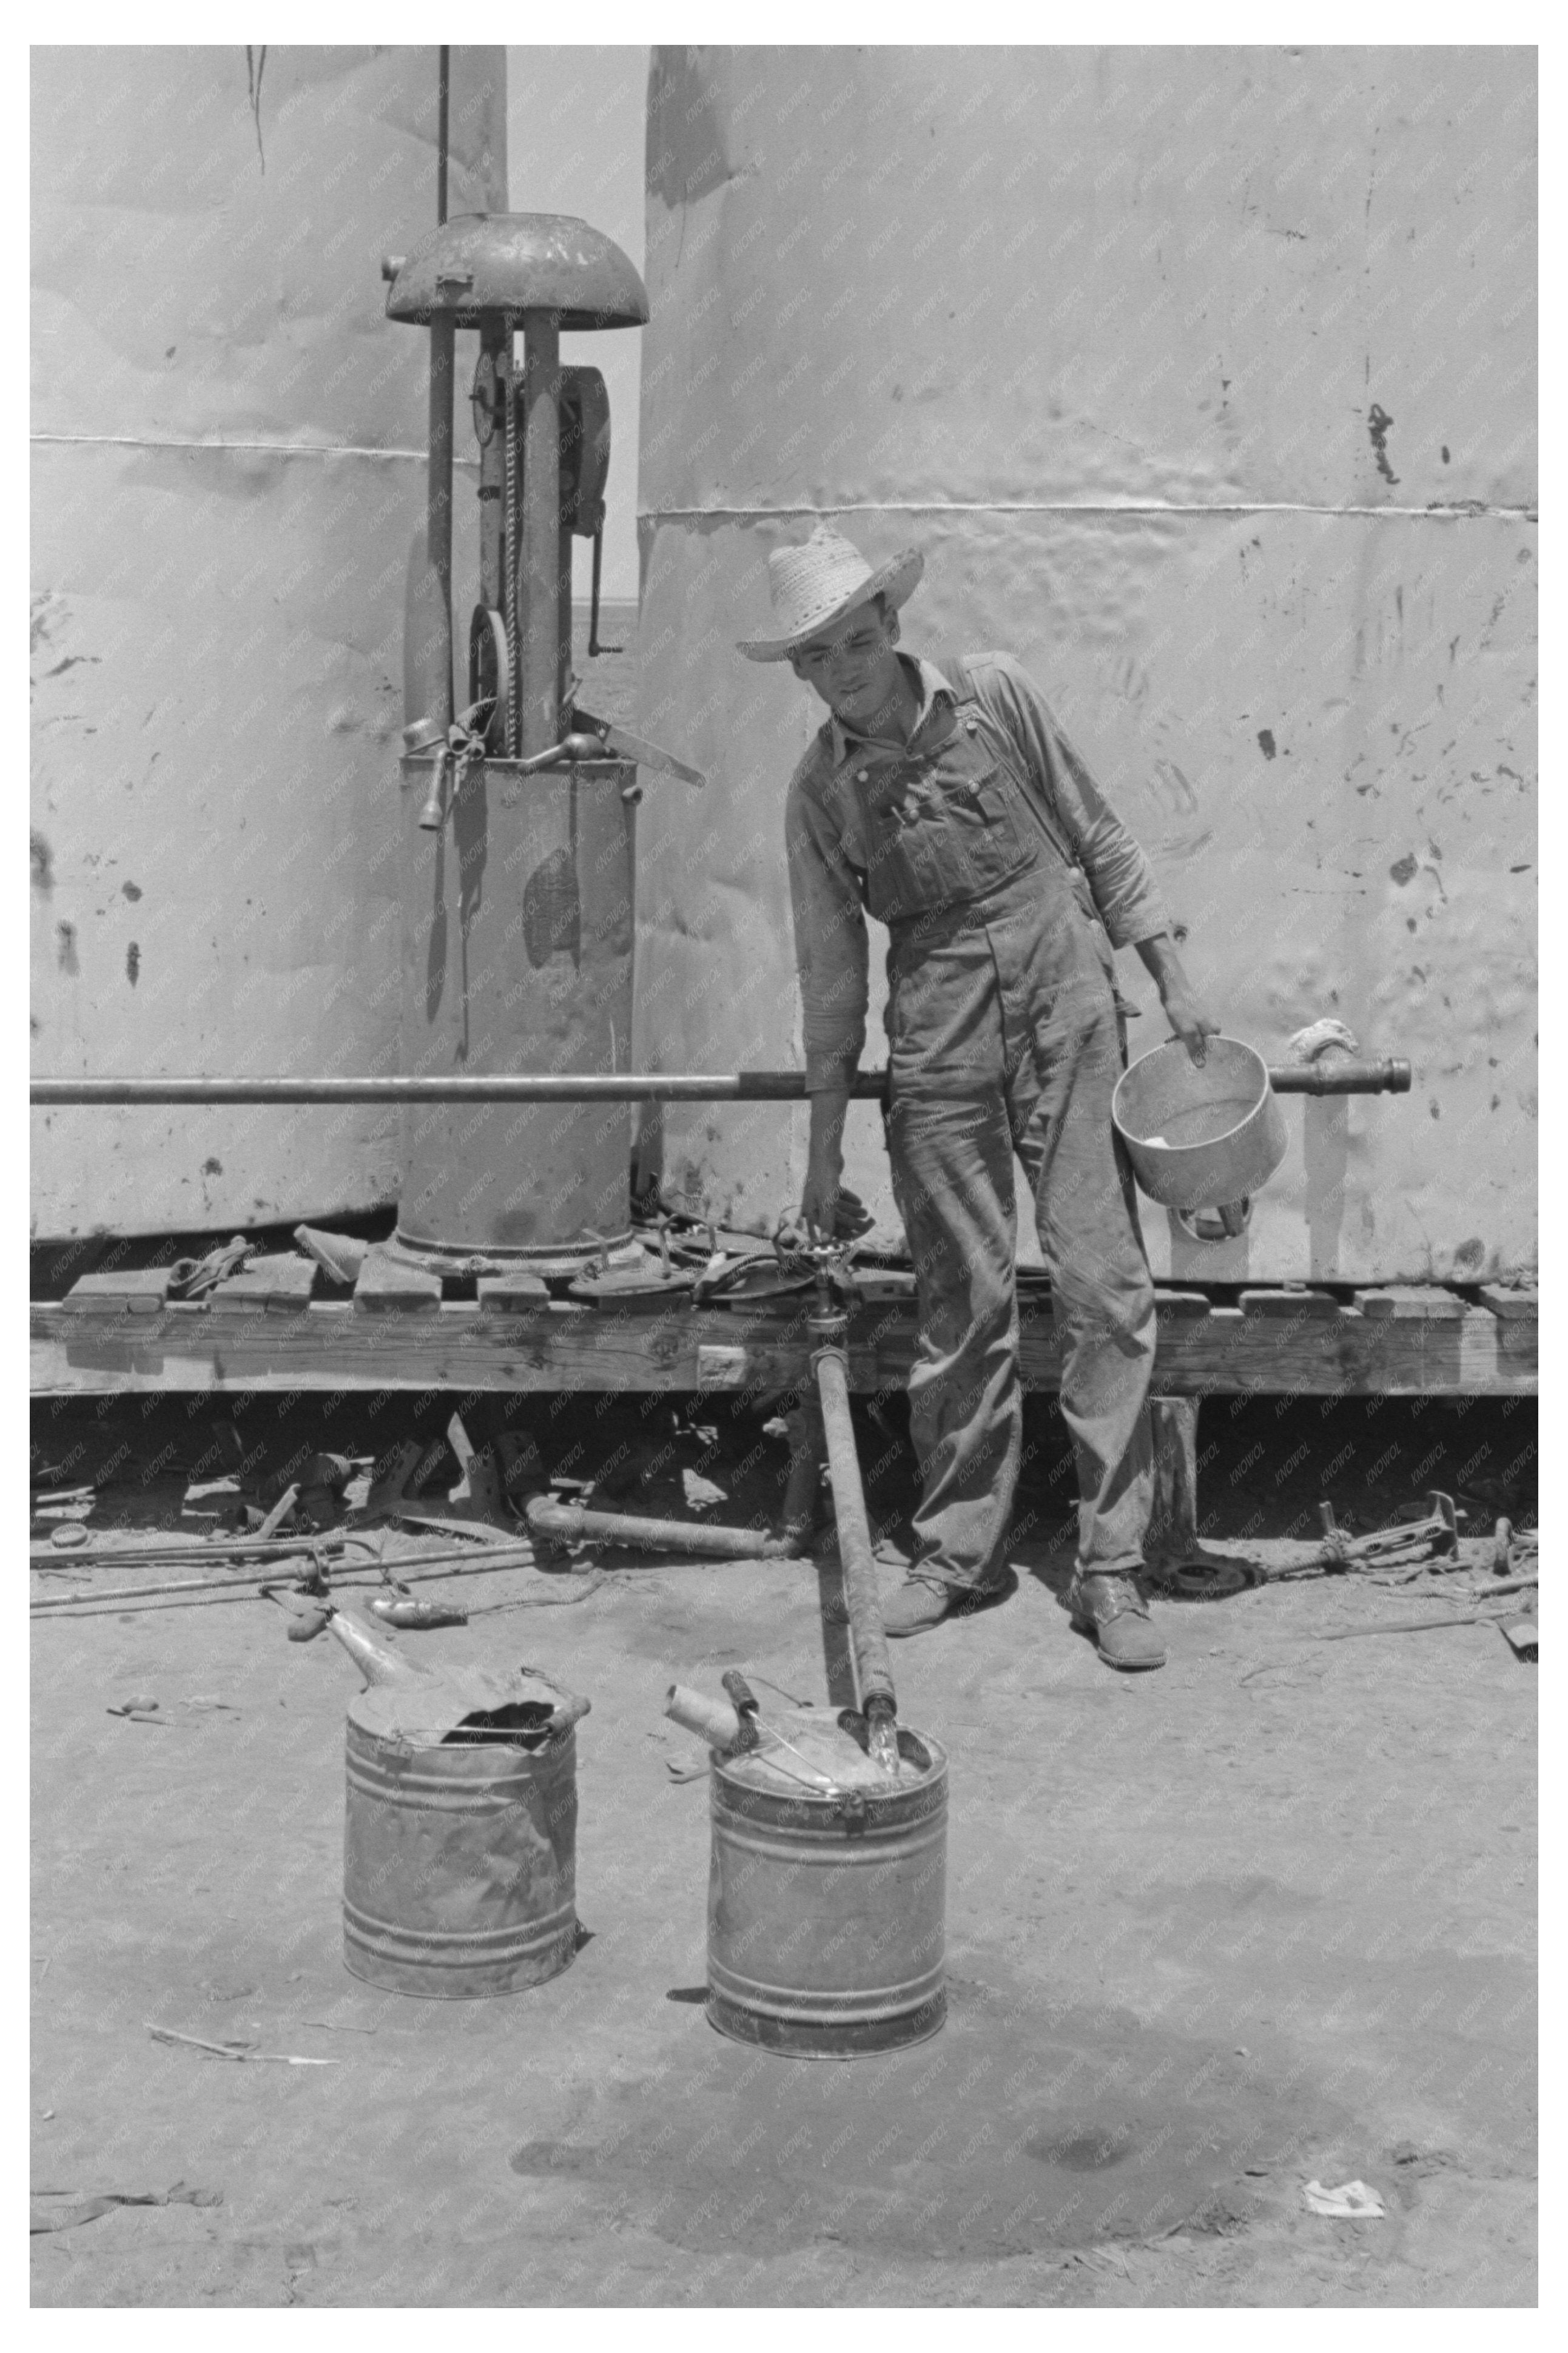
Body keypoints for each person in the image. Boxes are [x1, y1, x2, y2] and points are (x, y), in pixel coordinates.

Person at [739, 524, 1220, 1669]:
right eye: (821, 654)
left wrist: (1172, 974)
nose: (847, 665)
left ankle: (1112, 1572)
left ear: (893, 627)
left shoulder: (995, 698)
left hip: (1067, 1003)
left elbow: (1097, 833)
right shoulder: (818, 795)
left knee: (1105, 1287)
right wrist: (816, 1163)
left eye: (860, 637)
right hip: (936, 1030)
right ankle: (956, 1553)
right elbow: (829, 986)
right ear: (801, 673)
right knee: (961, 1303)